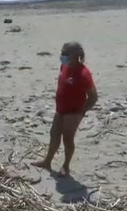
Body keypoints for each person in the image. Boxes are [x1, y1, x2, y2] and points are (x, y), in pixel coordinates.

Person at [31, 42, 98, 176]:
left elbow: (93, 97)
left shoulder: (83, 74)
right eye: (62, 53)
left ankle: (66, 166)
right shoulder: (64, 66)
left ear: (76, 56)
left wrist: (81, 111)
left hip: (74, 111)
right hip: (61, 108)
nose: (63, 56)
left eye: (66, 54)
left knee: (68, 138)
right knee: (54, 134)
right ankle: (47, 161)